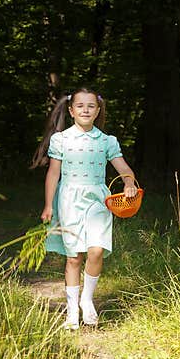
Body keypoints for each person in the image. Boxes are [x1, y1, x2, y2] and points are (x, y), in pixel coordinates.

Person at [30, 88, 138, 330]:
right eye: (80, 106)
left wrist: (129, 181)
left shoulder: (106, 141)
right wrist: (48, 204)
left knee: (96, 251)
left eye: (90, 106)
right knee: (73, 257)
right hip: (68, 199)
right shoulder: (62, 140)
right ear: (71, 111)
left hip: (99, 200)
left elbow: (123, 167)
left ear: (98, 110)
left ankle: (87, 300)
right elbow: (53, 173)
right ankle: (71, 311)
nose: (85, 110)